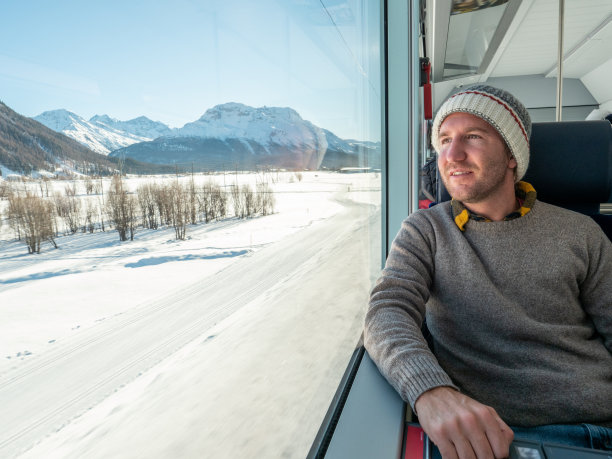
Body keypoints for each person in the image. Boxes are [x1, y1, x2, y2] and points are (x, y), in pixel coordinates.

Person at [364, 84, 612, 459]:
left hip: (600, 428)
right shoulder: (426, 230)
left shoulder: (582, 232)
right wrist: (430, 391)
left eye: (473, 137)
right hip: (492, 437)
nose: (452, 154)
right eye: (444, 140)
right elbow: (387, 310)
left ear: (512, 154)